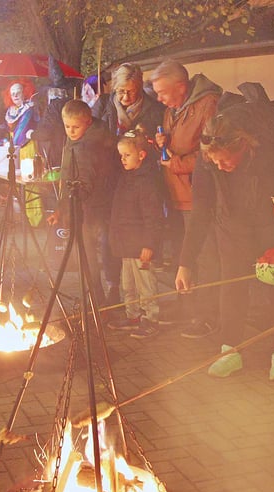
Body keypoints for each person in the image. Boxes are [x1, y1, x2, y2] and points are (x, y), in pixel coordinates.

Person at [175, 86, 274, 381]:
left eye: (226, 161)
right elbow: (201, 211)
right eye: (215, 162)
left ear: (244, 147)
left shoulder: (272, 150)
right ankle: (229, 350)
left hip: (273, 224)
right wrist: (186, 262)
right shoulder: (208, 158)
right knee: (231, 285)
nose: (220, 167)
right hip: (232, 226)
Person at [150, 59, 223, 338]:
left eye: (162, 92)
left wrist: (178, 164)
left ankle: (208, 316)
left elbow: (212, 151)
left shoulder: (208, 105)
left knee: (204, 257)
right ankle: (188, 309)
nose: (159, 98)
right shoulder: (174, 109)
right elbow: (177, 142)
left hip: (198, 195)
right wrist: (163, 144)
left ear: (181, 86)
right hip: (177, 193)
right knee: (183, 255)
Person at [46, 99, 120, 304]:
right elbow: (67, 175)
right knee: (88, 252)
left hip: (96, 205)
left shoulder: (93, 144)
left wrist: (73, 202)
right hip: (81, 205)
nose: (71, 131)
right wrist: (61, 207)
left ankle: (107, 294)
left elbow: (89, 178)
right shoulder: (73, 141)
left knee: (102, 249)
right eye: (67, 126)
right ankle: (98, 295)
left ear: (88, 122)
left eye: (75, 127)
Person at [105, 130, 165, 339]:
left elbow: (154, 216)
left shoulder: (147, 181)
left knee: (145, 284)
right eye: (120, 155)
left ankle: (151, 319)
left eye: (127, 155)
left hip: (141, 247)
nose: (122, 159)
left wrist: (150, 244)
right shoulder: (126, 177)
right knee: (128, 284)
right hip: (126, 244)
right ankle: (133, 316)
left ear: (141, 154)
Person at [99, 63, 165, 138]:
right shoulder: (102, 104)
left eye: (131, 91)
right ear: (115, 88)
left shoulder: (155, 110)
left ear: (139, 89)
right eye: (121, 91)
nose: (126, 97)